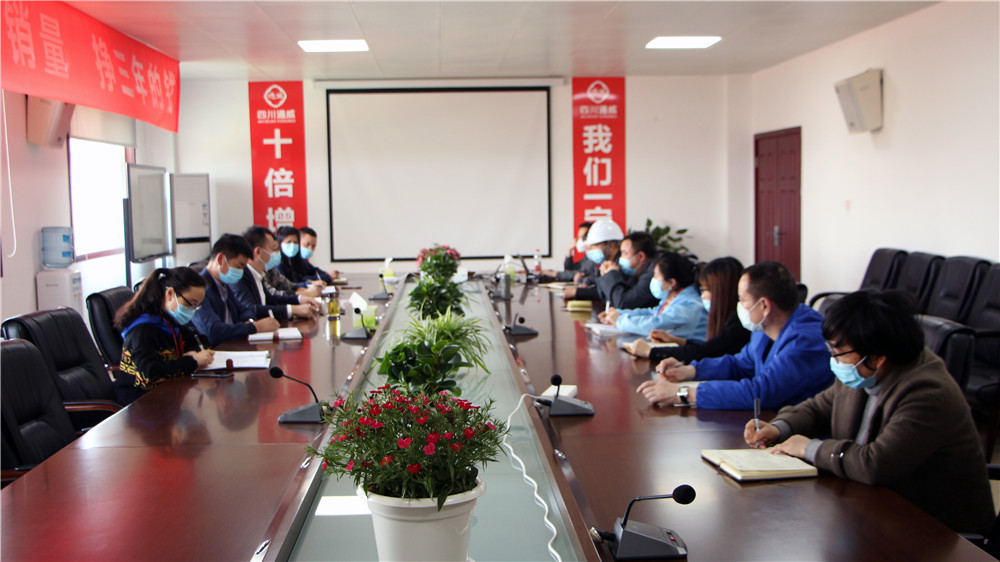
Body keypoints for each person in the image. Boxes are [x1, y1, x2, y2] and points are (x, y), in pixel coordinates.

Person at [744, 290, 994, 535]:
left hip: (938, 531)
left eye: (838, 353)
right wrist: (779, 427)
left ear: (876, 359)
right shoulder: (862, 368)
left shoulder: (927, 392)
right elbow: (819, 408)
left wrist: (808, 448)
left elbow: (876, 464)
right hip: (874, 509)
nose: (834, 360)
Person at [637, 261, 831, 410]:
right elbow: (740, 364)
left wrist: (683, 393)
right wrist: (690, 371)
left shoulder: (806, 340)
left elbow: (760, 393)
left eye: (742, 300)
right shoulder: (764, 329)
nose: (739, 306)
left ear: (764, 306)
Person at [114, 267, 215, 405]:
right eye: (190, 304)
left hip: (168, 395)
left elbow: (195, 341)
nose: (192, 310)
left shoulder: (169, 320)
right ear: (170, 293)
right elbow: (148, 373)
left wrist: (194, 353)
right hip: (139, 404)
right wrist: (193, 361)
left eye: (196, 306)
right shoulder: (142, 330)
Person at [625, 257, 750, 364]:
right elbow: (711, 348)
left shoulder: (738, 324)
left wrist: (650, 351)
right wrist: (678, 341)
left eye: (706, 290)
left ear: (722, 293)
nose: (703, 296)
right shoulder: (728, 319)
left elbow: (702, 353)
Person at [192, 234, 280, 346]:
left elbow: (245, 311)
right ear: (220, 259)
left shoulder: (224, 284)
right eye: (238, 266)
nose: (241, 272)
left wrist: (249, 321)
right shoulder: (199, 289)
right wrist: (255, 327)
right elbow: (213, 331)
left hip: (234, 345)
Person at [601, 252, 707, 338]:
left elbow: (656, 325)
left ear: (671, 282)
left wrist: (619, 320)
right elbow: (652, 313)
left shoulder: (689, 304)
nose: (653, 279)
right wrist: (619, 313)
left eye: (656, 275)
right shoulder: (673, 297)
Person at [233, 226, 321, 320]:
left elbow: (271, 299)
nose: (277, 253)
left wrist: (299, 299)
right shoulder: (239, 277)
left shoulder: (259, 274)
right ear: (258, 252)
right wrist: (293, 310)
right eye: (273, 249)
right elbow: (252, 309)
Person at [591, 231, 661, 310]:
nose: (621, 258)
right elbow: (610, 298)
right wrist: (605, 274)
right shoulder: (632, 271)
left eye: (625, 253)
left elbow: (623, 303)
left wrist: (612, 274)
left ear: (641, 256)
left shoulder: (652, 275)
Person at [562, 218, 623, 301]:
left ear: (611, 245)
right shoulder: (602, 261)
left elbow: (607, 292)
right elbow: (594, 279)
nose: (593, 250)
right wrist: (585, 282)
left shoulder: (621, 264)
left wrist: (577, 292)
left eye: (596, 245)